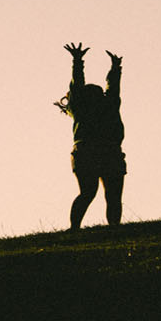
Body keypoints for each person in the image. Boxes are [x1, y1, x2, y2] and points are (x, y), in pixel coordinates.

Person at [57, 43, 125, 229]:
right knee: (110, 195)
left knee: (91, 193)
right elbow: (112, 87)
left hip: (90, 151)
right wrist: (115, 67)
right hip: (103, 151)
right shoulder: (105, 105)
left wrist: (78, 61)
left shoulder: (83, 107)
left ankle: (77, 228)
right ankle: (111, 227)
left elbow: (81, 85)